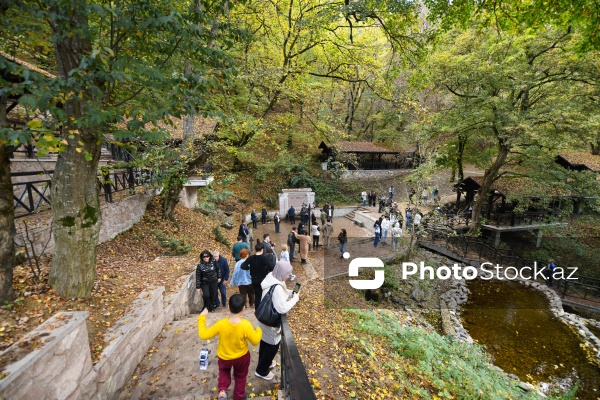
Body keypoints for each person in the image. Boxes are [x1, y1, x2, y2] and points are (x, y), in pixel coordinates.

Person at [198, 294, 262, 400]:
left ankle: (222, 392)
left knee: (224, 372)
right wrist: (259, 331)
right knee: (240, 377)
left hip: (224, 357)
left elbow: (203, 334)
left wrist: (202, 317)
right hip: (241, 357)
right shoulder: (246, 325)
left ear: (228, 307)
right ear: (243, 309)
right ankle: (239, 396)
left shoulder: (221, 324)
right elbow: (255, 341)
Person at [255, 261, 299, 381]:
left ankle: (265, 362)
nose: (288, 276)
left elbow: (276, 295)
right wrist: (295, 299)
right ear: (282, 272)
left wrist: (290, 293)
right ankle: (261, 370)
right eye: (287, 273)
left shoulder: (272, 278)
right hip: (271, 321)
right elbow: (282, 308)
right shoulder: (278, 287)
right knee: (272, 345)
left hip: (264, 318)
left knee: (264, 342)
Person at [241, 242, 276, 309]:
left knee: (257, 296)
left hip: (254, 280)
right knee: (264, 295)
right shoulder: (264, 258)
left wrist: (248, 268)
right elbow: (272, 266)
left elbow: (242, 266)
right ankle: (264, 309)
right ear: (262, 249)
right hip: (263, 279)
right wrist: (268, 269)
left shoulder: (251, 258)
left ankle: (257, 311)